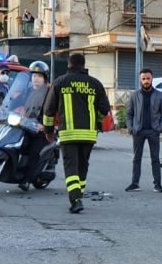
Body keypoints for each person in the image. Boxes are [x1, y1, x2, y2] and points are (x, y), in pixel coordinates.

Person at [43, 52, 111, 213]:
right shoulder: (95, 83)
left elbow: (49, 110)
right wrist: (96, 121)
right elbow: (104, 109)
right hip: (88, 134)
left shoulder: (60, 82)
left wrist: (48, 131)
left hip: (69, 134)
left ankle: (75, 200)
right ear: (84, 64)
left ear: (69, 64)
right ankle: (78, 194)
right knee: (82, 167)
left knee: (71, 168)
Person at [125, 68, 162, 193]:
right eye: (143, 79)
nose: (146, 81)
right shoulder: (134, 95)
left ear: (152, 79)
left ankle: (157, 185)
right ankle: (134, 183)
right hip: (138, 131)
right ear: (140, 80)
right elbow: (129, 114)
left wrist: (160, 128)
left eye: (148, 79)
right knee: (136, 158)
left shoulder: (159, 95)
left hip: (153, 131)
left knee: (155, 159)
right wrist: (131, 128)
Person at [18, 61, 52, 191]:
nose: (35, 79)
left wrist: (44, 125)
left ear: (44, 78)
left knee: (33, 152)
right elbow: (17, 102)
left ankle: (26, 180)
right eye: (33, 76)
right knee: (18, 145)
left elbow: (53, 111)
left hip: (41, 129)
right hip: (26, 125)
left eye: (39, 76)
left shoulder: (49, 92)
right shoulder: (28, 90)